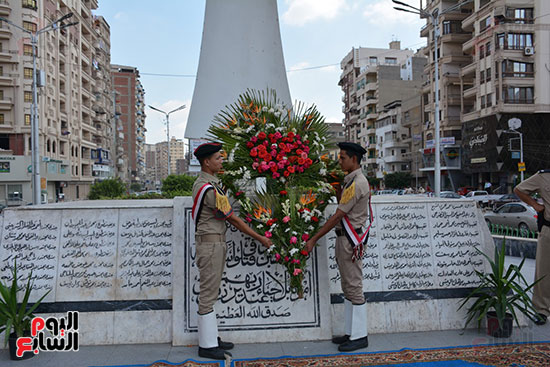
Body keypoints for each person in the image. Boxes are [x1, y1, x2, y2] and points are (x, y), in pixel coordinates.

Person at [192, 142, 272, 360]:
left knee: (213, 290)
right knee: (208, 293)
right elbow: (232, 219)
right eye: (218, 158)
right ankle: (207, 346)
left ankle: (211, 337)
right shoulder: (207, 189)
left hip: (214, 242)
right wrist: (260, 237)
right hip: (210, 244)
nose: (221, 161)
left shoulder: (211, 184)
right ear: (207, 162)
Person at [305, 142, 371, 352]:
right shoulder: (350, 181)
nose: (339, 161)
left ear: (353, 159)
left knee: (354, 286)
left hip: (350, 240)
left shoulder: (357, 183)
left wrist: (314, 238)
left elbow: (338, 216)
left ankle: (360, 336)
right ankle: (351, 333)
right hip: (346, 239)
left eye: (342, 157)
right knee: (347, 287)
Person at [514, 169, 550, 325]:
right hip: (549, 230)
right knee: (544, 271)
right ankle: (541, 310)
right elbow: (519, 189)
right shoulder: (544, 176)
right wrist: (535, 205)